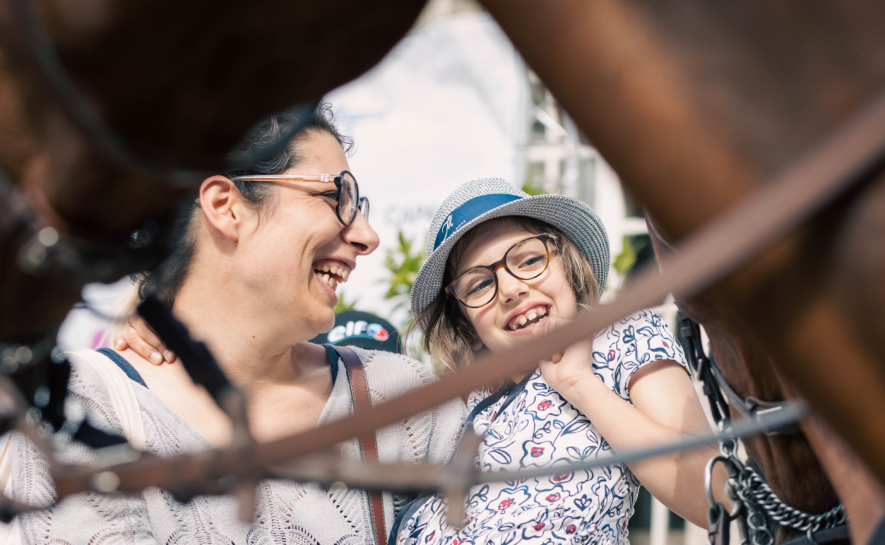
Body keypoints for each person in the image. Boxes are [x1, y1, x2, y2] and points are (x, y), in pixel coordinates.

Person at [2, 105, 465, 544]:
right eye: (336, 197)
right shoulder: (78, 410)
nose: (367, 236)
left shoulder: (405, 398)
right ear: (226, 206)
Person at [392, 178, 728, 545]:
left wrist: (579, 384)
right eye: (478, 285)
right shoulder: (459, 409)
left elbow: (715, 496)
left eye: (530, 260)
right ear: (468, 327)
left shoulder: (622, 336)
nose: (510, 289)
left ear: (567, 267)